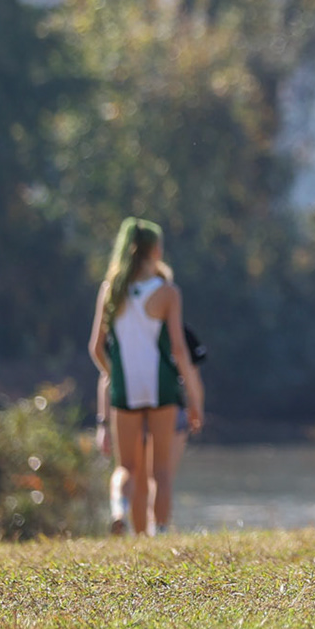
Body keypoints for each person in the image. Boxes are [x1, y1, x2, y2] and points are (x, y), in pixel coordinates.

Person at [87, 217, 204, 536]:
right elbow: (179, 350)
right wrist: (193, 400)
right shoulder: (167, 293)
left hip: (125, 390)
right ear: (155, 250)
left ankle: (118, 510)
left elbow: (96, 347)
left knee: (126, 468)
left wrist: (116, 374)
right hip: (162, 388)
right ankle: (160, 533)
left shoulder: (111, 290)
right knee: (161, 471)